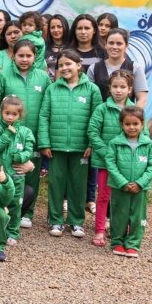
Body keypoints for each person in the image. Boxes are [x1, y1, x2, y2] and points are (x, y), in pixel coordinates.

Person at [40, 49, 103, 238]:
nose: (64, 68)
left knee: (78, 185)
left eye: (68, 64)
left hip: (81, 148)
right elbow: (44, 116)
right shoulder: (52, 88)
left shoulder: (92, 89)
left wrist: (92, 143)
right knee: (56, 184)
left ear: (78, 64)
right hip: (56, 147)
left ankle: (76, 221)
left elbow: (97, 118)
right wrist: (45, 142)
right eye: (61, 65)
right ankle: (56, 220)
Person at [0, 39, 50, 227]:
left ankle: (26, 212)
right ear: (13, 56)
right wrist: (4, 125)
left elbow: (47, 107)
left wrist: (43, 135)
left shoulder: (43, 77)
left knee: (30, 171)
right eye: (20, 55)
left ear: (35, 57)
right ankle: (3, 209)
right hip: (7, 134)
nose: (24, 59)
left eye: (28, 55)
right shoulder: (4, 76)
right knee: (8, 172)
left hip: (32, 133)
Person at [88, 69, 135, 247]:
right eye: (115, 86)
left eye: (123, 87)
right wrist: (107, 153)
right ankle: (100, 230)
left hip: (127, 163)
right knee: (103, 196)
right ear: (109, 88)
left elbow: (141, 136)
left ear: (130, 89)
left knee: (124, 196)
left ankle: (123, 228)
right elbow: (93, 132)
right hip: (105, 162)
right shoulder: (101, 109)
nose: (118, 90)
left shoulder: (135, 111)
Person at [104, 106, 152, 258]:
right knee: (119, 216)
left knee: (137, 217)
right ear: (121, 124)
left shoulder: (149, 145)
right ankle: (117, 243)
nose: (132, 127)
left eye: (135, 124)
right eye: (127, 124)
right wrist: (122, 182)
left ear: (142, 124)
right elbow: (111, 163)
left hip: (139, 189)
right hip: (119, 188)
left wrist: (140, 183)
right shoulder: (115, 143)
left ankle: (133, 244)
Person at [0, 95, 36, 245]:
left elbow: (29, 151)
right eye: (7, 113)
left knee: (16, 204)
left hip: (17, 175)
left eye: (14, 114)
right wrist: (8, 134)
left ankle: (13, 232)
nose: (10, 117)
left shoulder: (26, 132)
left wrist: (20, 157)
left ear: (20, 115)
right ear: (1, 112)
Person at [88, 28, 148, 108]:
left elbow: (142, 99)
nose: (114, 47)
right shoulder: (94, 68)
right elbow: (88, 98)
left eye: (119, 43)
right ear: (105, 44)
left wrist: (133, 116)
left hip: (126, 118)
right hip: (100, 118)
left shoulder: (135, 68)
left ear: (126, 46)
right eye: (111, 43)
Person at [44, 14, 69, 80]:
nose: (56, 30)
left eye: (59, 27)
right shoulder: (44, 47)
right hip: (48, 86)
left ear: (65, 27)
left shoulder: (72, 47)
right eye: (52, 27)